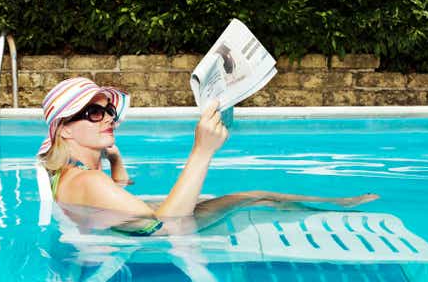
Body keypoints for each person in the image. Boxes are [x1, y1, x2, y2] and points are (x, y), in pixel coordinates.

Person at [37, 77, 378, 236]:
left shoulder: (69, 173)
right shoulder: (88, 181)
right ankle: (337, 204)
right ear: (65, 129)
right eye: (94, 113)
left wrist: (115, 162)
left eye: (108, 109)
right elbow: (167, 227)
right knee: (252, 196)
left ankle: (329, 203)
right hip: (163, 231)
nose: (110, 117)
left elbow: (112, 197)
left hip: (123, 226)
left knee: (241, 197)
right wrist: (202, 151)